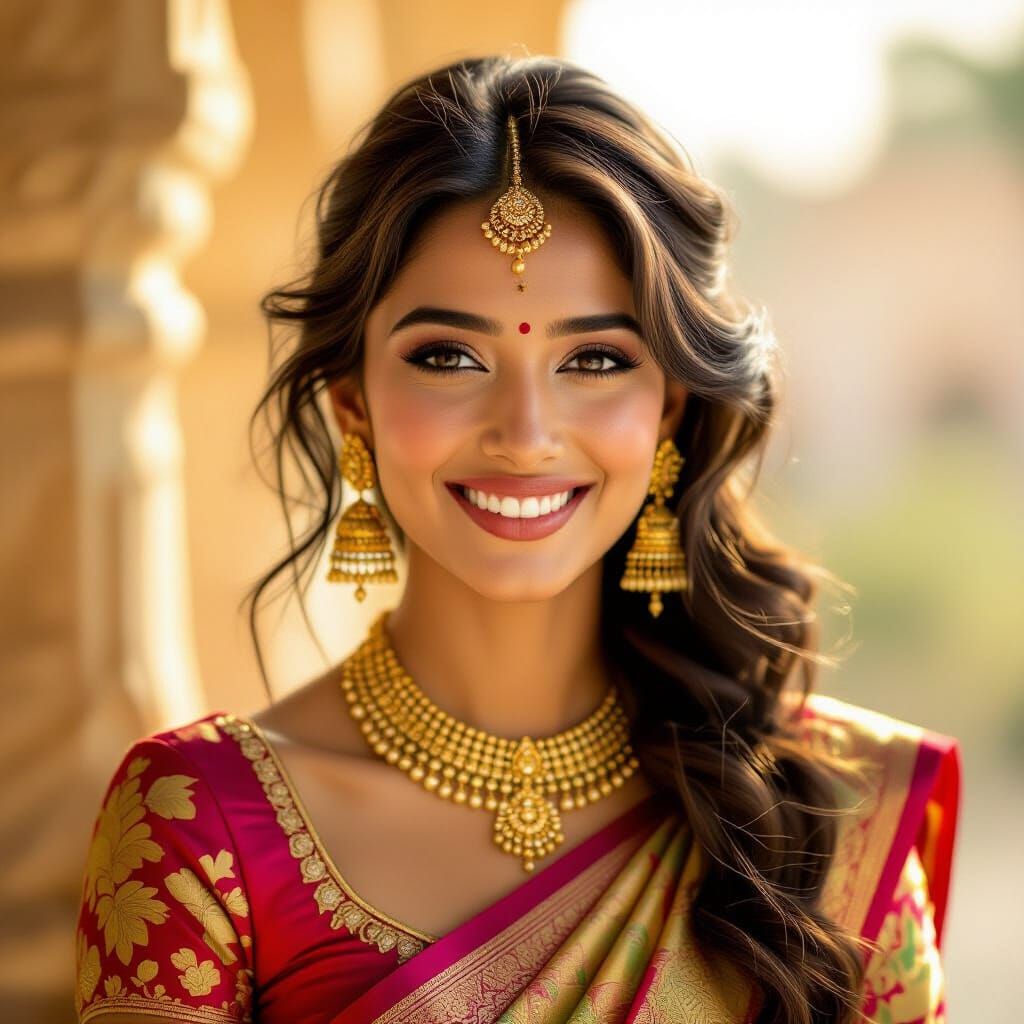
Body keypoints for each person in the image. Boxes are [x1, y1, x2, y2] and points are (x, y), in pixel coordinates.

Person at [73, 55, 961, 1024]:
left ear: (667, 405)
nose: (526, 430)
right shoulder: (201, 823)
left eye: (592, 358)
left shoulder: (814, 816)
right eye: (449, 355)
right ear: (353, 404)